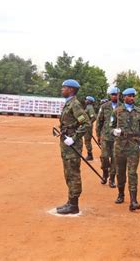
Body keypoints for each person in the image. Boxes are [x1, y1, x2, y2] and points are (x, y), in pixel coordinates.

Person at [56, 79, 89, 214]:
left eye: (64, 87)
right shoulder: (69, 104)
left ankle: (74, 205)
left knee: (73, 173)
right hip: (66, 143)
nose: (61, 89)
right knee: (68, 172)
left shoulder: (75, 104)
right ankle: (70, 201)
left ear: (71, 89)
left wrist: (74, 138)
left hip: (72, 144)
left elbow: (86, 124)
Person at [112, 88, 140, 212]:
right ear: (124, 97)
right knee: (120, 172)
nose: (132, 98)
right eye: (130, 96)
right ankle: (121, 194)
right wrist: (114, 131)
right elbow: (110, 126)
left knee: (132, 173)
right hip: (120, 145)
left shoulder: (139, 112)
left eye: (133, 96)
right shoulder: (117, 111)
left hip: (133, 146)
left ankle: (133, 200)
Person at [96, 87, 121, 187]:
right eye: (113, 94)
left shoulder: (122, 107)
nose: (115, 96)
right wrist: (98, 134)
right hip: (105, 137)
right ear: (110, 95)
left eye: (116, 94)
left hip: (117, 138)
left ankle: (112, 179)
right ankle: (105, 173)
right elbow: (99, 121)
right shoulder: (104, 106)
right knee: (105, 157)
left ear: (119, 95)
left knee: (115, 159)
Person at [84, 96, 96, 160]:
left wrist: (89, 123)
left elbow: (93, 117)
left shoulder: (90, 108)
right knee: (86, 140)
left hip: (87, 127)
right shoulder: (88, 107)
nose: (85, 101)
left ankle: (90, 155)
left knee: (87, 140)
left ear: (89, 101)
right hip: (86, 126)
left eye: (86, 100)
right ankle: (89, 154)